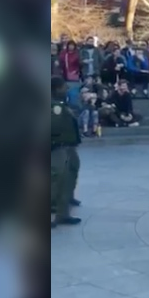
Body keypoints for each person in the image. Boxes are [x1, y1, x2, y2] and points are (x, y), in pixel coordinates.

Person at [50, 77, 82, 228]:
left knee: (66, 179)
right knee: (55, 181)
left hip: (68, 146)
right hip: (57, 147)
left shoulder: (61, 104)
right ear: (56, 88)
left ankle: (63, 214)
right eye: (64, 87)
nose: (66, 89)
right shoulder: (52, 106)